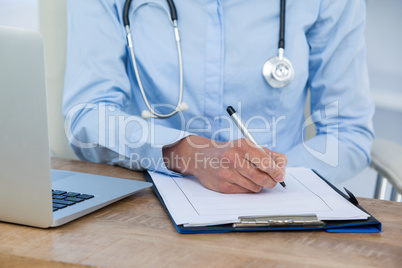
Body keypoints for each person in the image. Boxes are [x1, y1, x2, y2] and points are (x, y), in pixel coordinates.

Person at [63, 0, 374, 193]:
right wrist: (191, 156)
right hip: (148, 201)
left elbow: (348, 131)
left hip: (276, 209)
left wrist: (267, 178)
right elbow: (88, 116)